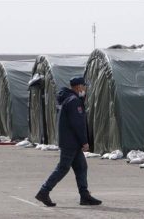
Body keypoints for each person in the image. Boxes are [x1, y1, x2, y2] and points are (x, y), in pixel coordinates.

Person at [35, 77, 102, 207]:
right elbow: (77, 124)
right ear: (78, 87)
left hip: (71, 141)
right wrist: (84, 142)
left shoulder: (68, 98)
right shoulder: (74, 101)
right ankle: (44, 191)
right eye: (84, 86)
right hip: (71, 142)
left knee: (81, 167)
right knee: (63, 168)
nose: (85, 89)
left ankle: (84, 196)